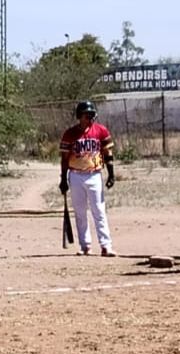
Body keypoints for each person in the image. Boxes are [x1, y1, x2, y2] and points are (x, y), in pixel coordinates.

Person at [59, 100, 116, 256]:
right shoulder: (70, 134)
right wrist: (63, 179)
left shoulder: (101, 131)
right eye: (86, 114)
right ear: (79, 116)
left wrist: (111, 173)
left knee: (99, 210)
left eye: (92, 114)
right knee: (80, 212)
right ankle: (85, 246)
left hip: (94, 174)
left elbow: (108, 153)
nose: (90, 117)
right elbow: (64, 159)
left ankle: (106, 245)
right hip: (76, 175)